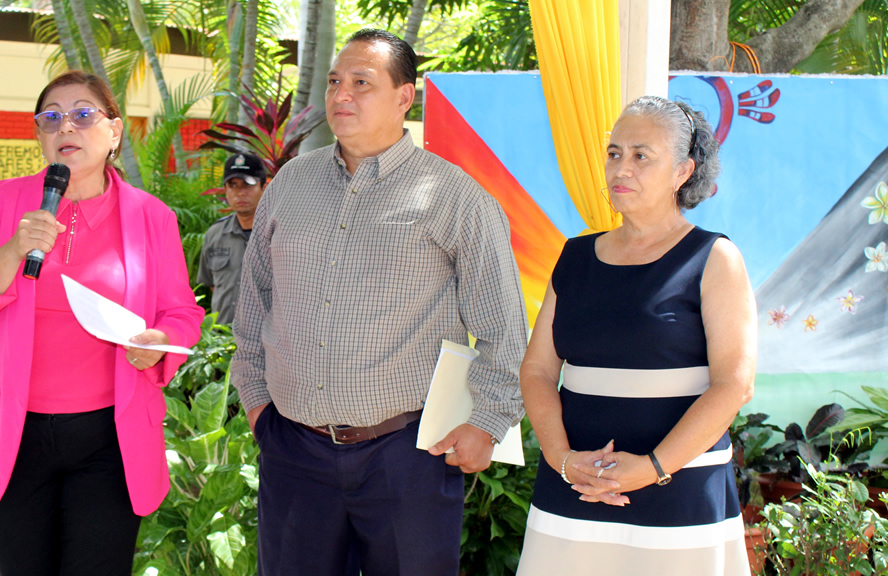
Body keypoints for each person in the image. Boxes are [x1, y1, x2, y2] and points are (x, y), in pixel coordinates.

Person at [231, 29, 528, 576]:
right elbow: (253, 307)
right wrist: (259, 410)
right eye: (335, 82)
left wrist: (486, 422)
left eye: (362, 83)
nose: (342, 95)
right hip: (293, 450)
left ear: (403, 96)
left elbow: (504, 327)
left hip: (408, 456)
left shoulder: (455, 197)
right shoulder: (289, 184)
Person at [0, 70, 204, 576]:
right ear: (40, 135)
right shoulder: (2, 204)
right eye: (51, 118)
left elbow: (181, 312)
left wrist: (162, 341)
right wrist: (12, 250)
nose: (66, 128)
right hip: (16, 438)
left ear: (115, 132)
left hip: (110, 438)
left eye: (84, 114)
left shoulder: (152, 218)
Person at [516, 96, 756, 576]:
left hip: (680, 494)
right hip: (575, 488)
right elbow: (538, 370)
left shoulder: (713, 258)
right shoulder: (575, 255)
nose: (621, 167)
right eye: (614, 152)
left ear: (683, 172)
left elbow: (734, 385)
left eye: (641, 155)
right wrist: (564, 461)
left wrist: (652, 467)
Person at [196, 152, 267, 324]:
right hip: (222, 338)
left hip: (268, 341)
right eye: (233, 185)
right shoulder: (215, 234)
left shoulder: (280, 234)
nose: (240, 193)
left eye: (248, 185)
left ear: (264, 188)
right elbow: (212, 284)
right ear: (225, 190)